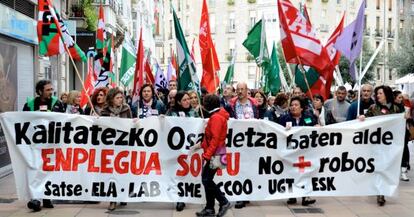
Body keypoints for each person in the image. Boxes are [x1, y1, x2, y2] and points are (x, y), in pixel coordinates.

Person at [23, 80, 65, 212]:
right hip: (35, 144)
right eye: (48, 90)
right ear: (40, 91)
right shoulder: (30, 104)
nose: (51, 92)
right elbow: (23, 120)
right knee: (35, 169)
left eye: (51, 89)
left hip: (51, 144)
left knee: (49, 170)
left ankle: (47, 197)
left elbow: (63, 120)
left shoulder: (57, 103)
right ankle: (35, 198)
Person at [360, 85, 402, 206]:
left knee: (388, 168)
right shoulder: (373, 108)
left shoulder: (396, 108)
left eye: (380, 93)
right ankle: (380, 193)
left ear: (387, 95)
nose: (377, 96)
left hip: (391, 145)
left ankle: (386, 189)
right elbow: (366, 119)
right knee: (379, 168)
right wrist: (363, 117)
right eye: (377, 93)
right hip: (377, 144)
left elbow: (401, 122)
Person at [191, 94, 232, 217]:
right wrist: (200, 146)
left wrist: (207, 155)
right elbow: (210, 139)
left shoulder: (216, 118)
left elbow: (214, 140)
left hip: (215, 154)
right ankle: (209, 208)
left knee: (206, 179)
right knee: (206, 179)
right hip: (216, 153)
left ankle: (223, 202)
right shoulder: (217, 116)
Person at [278, 96, 318, 206]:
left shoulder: (309, 117)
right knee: (291, 173)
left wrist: (317, 123)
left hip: (305, 152)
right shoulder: (284, 119)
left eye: (296, 105)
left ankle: (305, 196)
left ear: (301, 108)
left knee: (305, 173)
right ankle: (291, 196)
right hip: (290, 152)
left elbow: (315, 129)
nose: (293, 107)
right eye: (291, 105)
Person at [226, 82, 258, 209]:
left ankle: (247, 194)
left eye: (242, 89)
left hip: (251, 141)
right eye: (238, 89)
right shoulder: (230, 105)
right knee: (239, 168)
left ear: (246, 90)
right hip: (237, 142)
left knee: (249, 168)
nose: (239, 92)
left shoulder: (254, 104)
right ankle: (241, 196)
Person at [166, 90, 198, 211]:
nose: (187, 101)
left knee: (187, 174)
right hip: (175, 150)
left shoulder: (193, 113)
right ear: (179, 101)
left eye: (188, 99)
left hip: (189, 150)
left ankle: (184, 197)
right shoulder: (171, 112)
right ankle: (179, 198)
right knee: (177, 174)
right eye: (184, 100)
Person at [101, 87, 132, 211]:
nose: (120, 100)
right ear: (111, 99)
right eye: (117, 98)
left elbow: (131, 123)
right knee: (111, 174)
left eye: (121, 98)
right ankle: (112, 199)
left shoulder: (127, 109)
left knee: (122, 172)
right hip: (109, 146)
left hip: (123, 145)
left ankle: (123, 195)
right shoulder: (105, 111)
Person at [393, 90, 410, 181]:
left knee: (403, 151)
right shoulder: (391, 108)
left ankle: (403, 171)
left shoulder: (405, 107)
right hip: (393, 134)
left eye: (401, 98)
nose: (401, 99)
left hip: (403, 133)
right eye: (399, 97)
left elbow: (409, 120)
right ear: (394, 98)